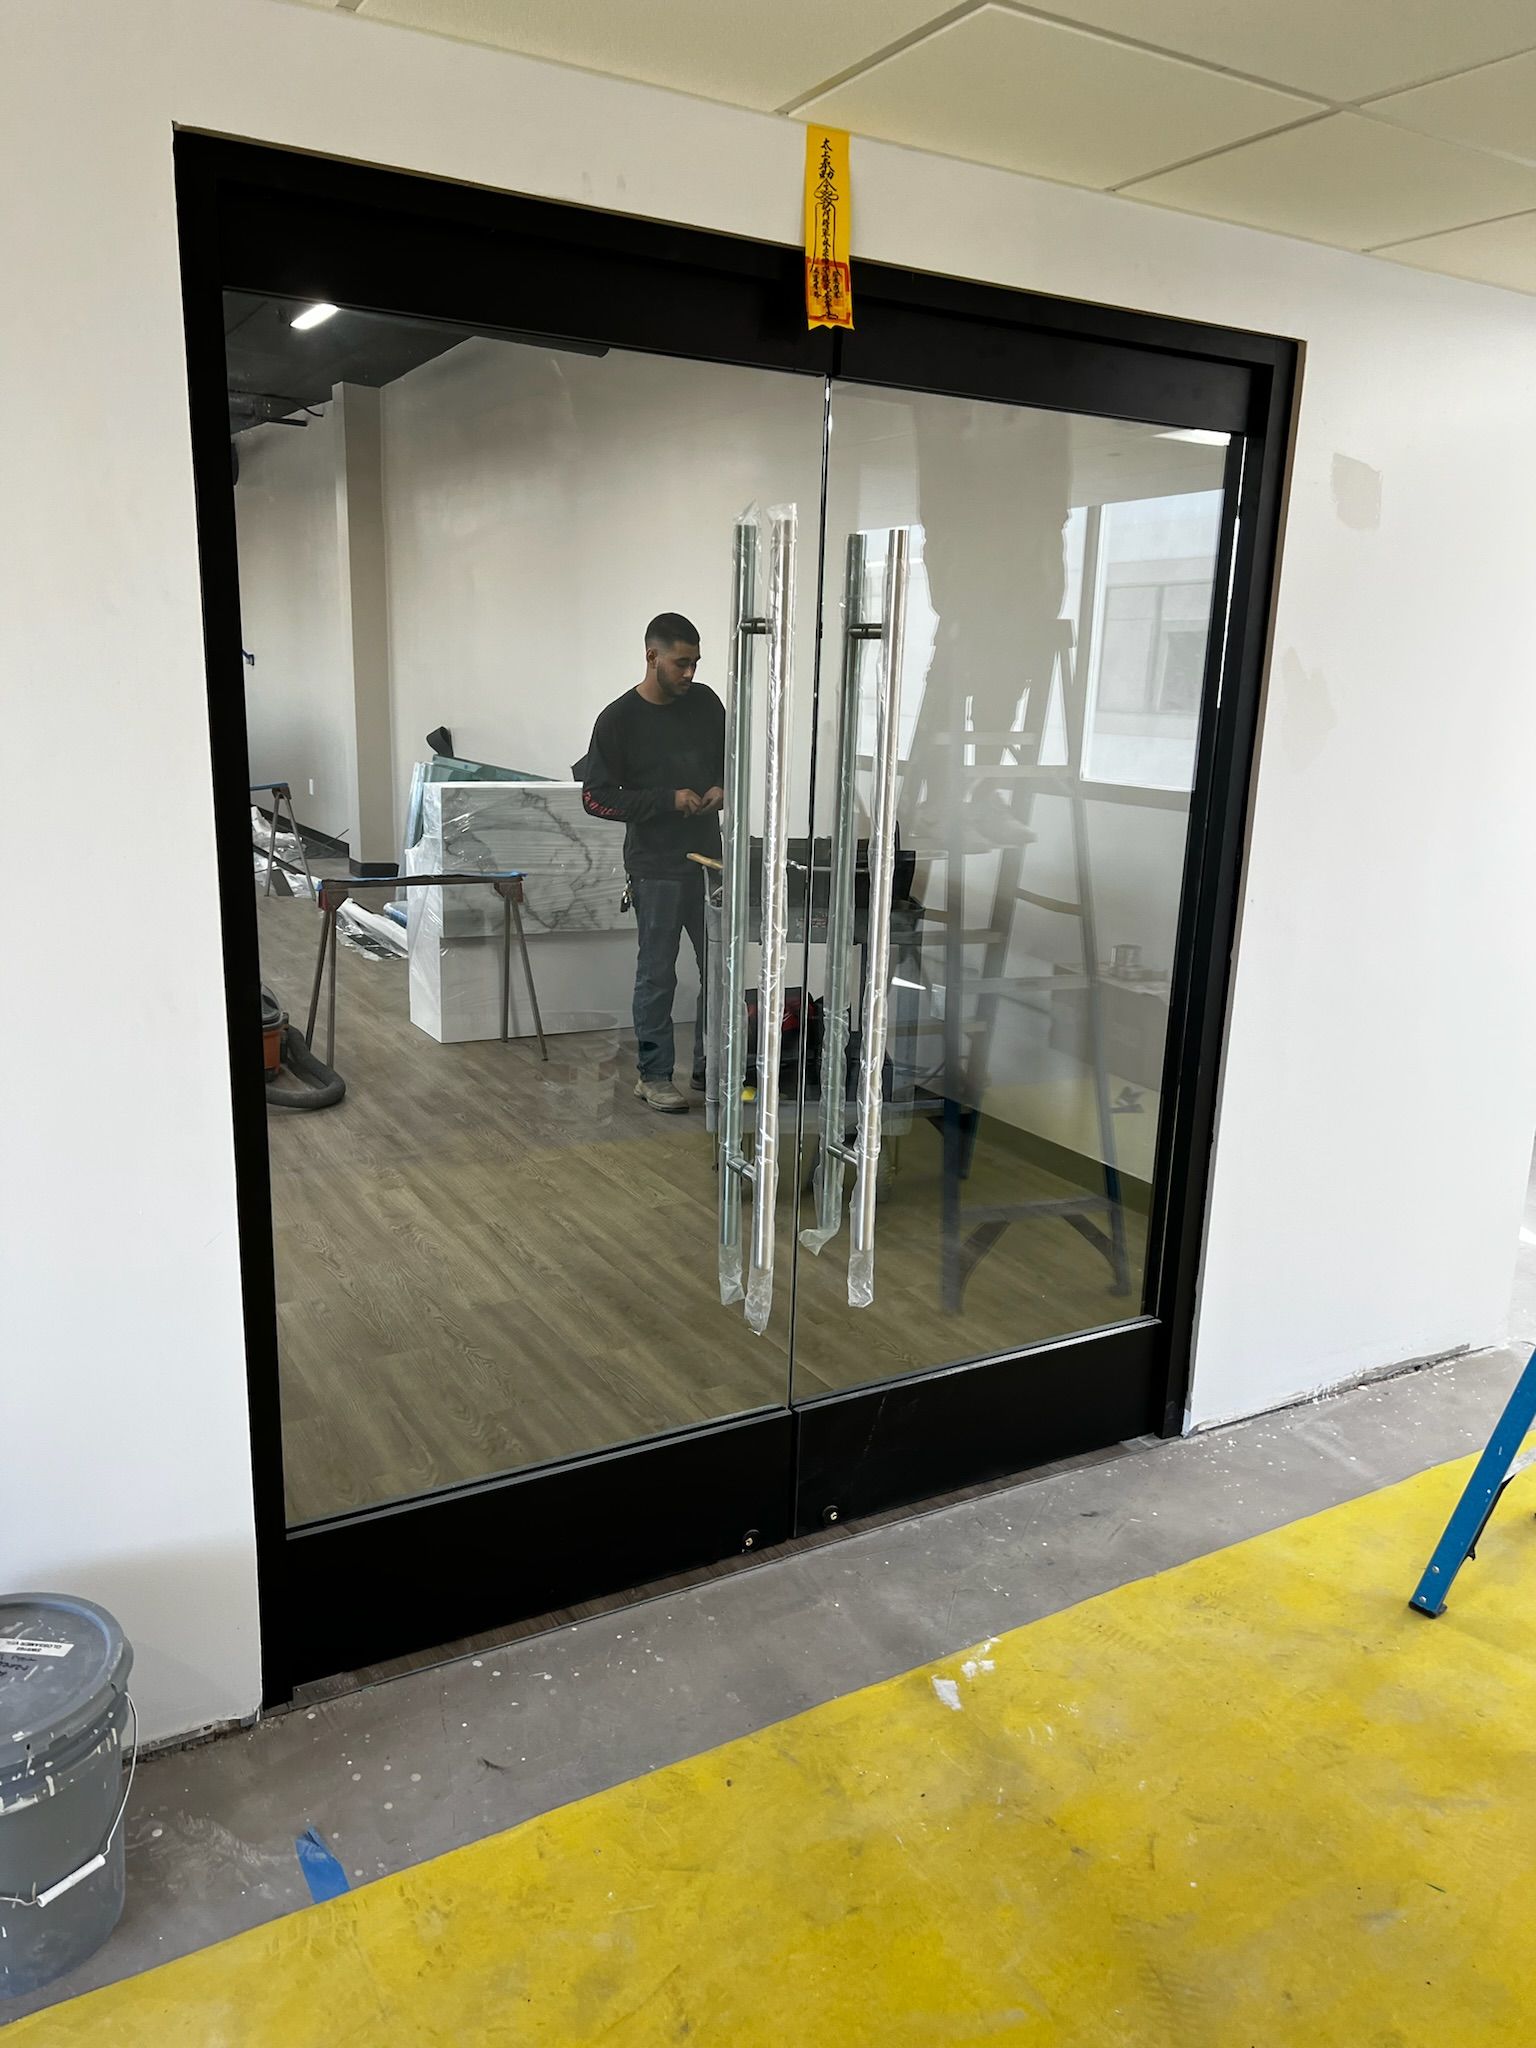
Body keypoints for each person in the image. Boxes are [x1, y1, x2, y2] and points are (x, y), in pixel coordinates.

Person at [576, 613, 724, 1112]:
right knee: (658, 974)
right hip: (656, 867)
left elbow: (736, 761)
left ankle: (713, 1071)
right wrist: (665, 800)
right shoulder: (618, 720)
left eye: (696, 664)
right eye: (681, 663)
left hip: (711, 863)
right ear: (651, 656)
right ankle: (654, 1075)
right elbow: (595, 799)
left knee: (720, 971)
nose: (690, 674)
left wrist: (722, 788)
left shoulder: (706, 705)